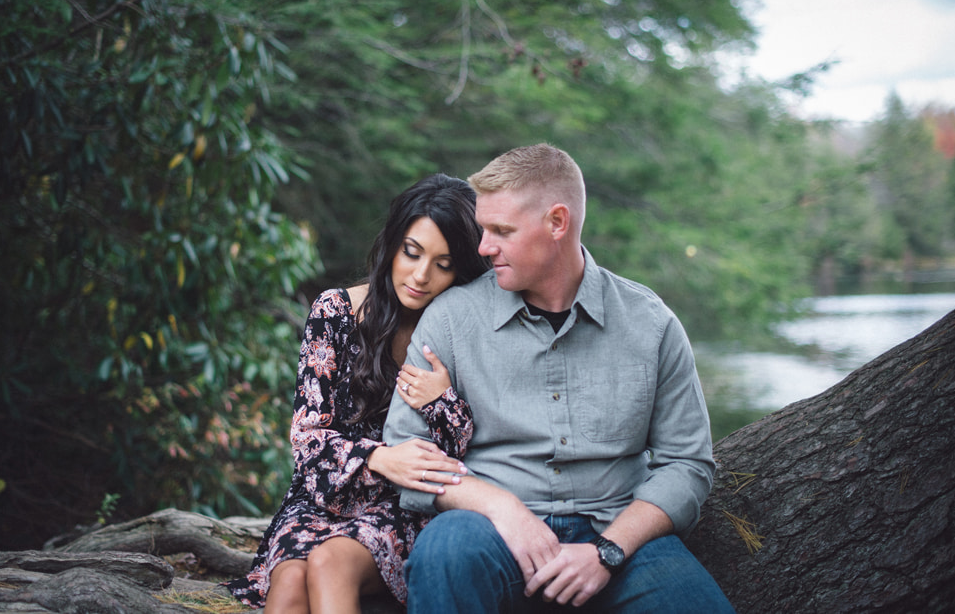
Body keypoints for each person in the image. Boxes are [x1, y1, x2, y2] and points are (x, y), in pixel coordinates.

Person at [383, 144, 735, 613]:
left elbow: (687, 463)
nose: (483, 247)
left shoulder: (651, 323)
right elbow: (407, 450)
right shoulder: (451, 319)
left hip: (618, 535)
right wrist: (500, 507)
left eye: (500, 231)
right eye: (484, 229)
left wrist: (608, 551)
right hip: (490, 533)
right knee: (445, 555)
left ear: (557, 223)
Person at [224, 174, 491, 613]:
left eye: (443, 264)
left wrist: (442, 400)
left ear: (462, 268)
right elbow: (308, 438)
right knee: (289, 583)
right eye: (412, 252)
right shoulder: (336, 312)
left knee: (330, 562)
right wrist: (378, 457)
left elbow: (470, 451)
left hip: (404, 508)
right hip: (325, 497)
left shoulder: (462, 332)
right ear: (392, 244)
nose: (421, 276)